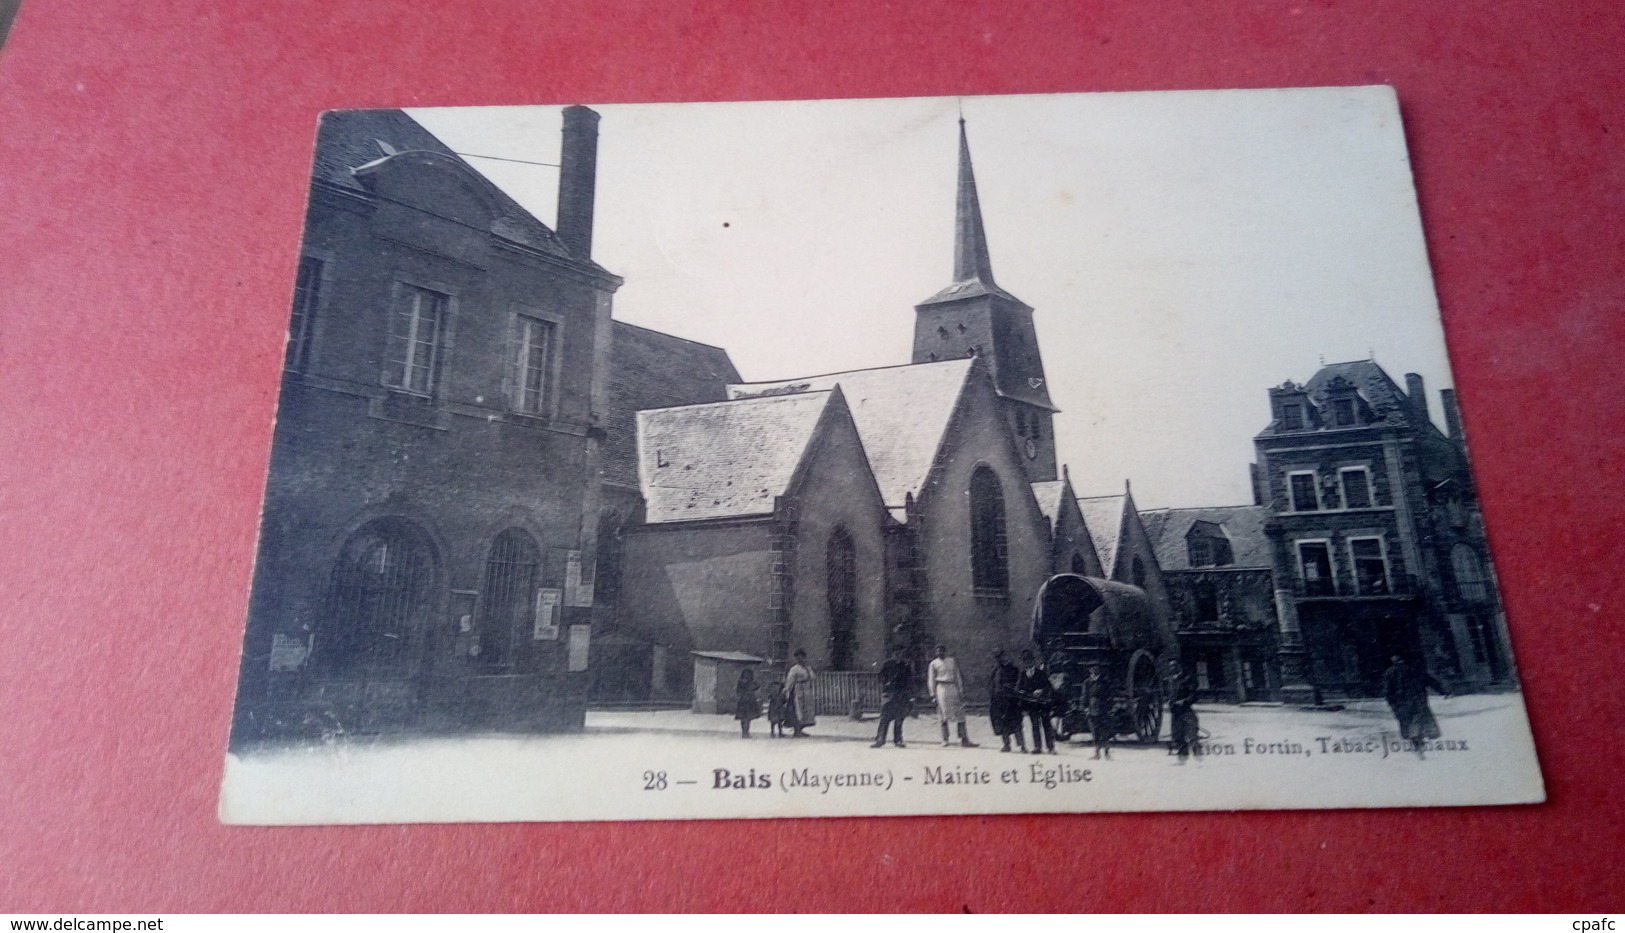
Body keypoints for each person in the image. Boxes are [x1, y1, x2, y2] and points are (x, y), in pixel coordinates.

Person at [1382, 655, 1448, 758]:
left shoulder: (1390, 673)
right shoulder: (1415, 670)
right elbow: (1431, 681)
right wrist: (1443, 691)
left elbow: (1387, 692)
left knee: (1409, 727)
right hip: (1418, 702)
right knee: (1419, 725)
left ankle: (1417, 747)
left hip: (1402, 705)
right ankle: (1419, 746)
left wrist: (1393, 705)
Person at [927, 644, 978, 747]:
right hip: (941, 689)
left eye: (941, 650)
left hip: (952, 688)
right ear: (935, 652)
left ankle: (964, 739)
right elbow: (931, 679)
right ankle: (945, 739)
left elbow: (957, 676)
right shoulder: (933, 664)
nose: (940, 652)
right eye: (938, 651)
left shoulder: (952, 661)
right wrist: (933, 694)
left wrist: (960, 690)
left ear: (945, 651)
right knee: (943, 715)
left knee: (960, 714)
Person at [1016, 650, 1056, 755]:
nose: (1026, 663)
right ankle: (1037, 747)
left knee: (1046, 725)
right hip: (1031, 705)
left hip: (1042, 704)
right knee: (1035, 725)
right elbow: (1018, 688)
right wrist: (1024, 694)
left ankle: (1051, 747)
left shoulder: (1041, 673)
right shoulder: (1022, 674)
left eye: (1028, 660)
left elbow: (1048, 687)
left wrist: (1041, 691)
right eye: (1024, 661)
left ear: (1033, 661)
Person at [988, 649, 1027, 753]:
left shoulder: (1012, 669)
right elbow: (992, 684)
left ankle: (1022, 746)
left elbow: (1018, 683)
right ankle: (1006, 745)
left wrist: (1016, 696)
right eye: (997, 657)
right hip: (998, 700)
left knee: (1016, 723)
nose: (999, 659)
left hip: (1011, 699)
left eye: (1000, 657)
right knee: (1002, 722)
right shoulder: (995, 669)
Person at [871, 648, 911, 748]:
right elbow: (880, 676)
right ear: (893, 654)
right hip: (889, 693)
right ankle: (880, 739)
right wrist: (886, 682)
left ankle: (898, 740)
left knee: (899, 717)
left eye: (900, 653)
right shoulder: (887, 664)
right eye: (896, 653)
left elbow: (910, 681)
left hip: (901, 693)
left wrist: (909, 695)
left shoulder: (905, 665)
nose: (898, 655)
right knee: (884, 717)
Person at [1083, 664, 1114, 760]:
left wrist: (1109, 708)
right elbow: (1085, 696)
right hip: (1092, 708)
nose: (1093, 676)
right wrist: (1086, 707)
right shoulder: (1087, 682)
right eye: (1091, 674)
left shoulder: (1104, 683)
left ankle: (1107, 753)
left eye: (1095, 674)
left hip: (1103, 709)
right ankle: (1097, 753)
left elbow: (1109, 696)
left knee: (1104, 731)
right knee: (1095, 731)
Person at [1168, 669, 1199, 763]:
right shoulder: (1171, 681)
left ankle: (1198, 759)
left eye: (1174, 665)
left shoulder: (1185, 681)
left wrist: (1184, 701)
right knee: (1178, 735)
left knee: (1191, 734)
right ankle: (1182, 759)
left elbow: (1194, 695)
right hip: (1175, 711)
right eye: (1171, 665)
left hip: (1185, 710)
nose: (1172, 667)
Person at [783, 650, 816, 737]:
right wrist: (786, 689)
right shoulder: (794, 669)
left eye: (802, 657)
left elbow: (813, 677)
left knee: (806, 711)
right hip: (797, 690)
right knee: (798, 710)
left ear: (805, 658)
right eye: (798, 657)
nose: (800, 659)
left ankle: (800, 730)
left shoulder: (808, 668)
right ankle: (796, 731)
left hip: (806, 690)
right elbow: (790, 680)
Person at [734, 668, 762, 739]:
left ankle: (744, 732)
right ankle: (746, 732)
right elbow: (757, 686)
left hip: (743, 701)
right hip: (750, 701)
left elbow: (738, 691)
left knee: (744, 718)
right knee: (747, 718)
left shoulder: (740, 682)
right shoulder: (751, 683)